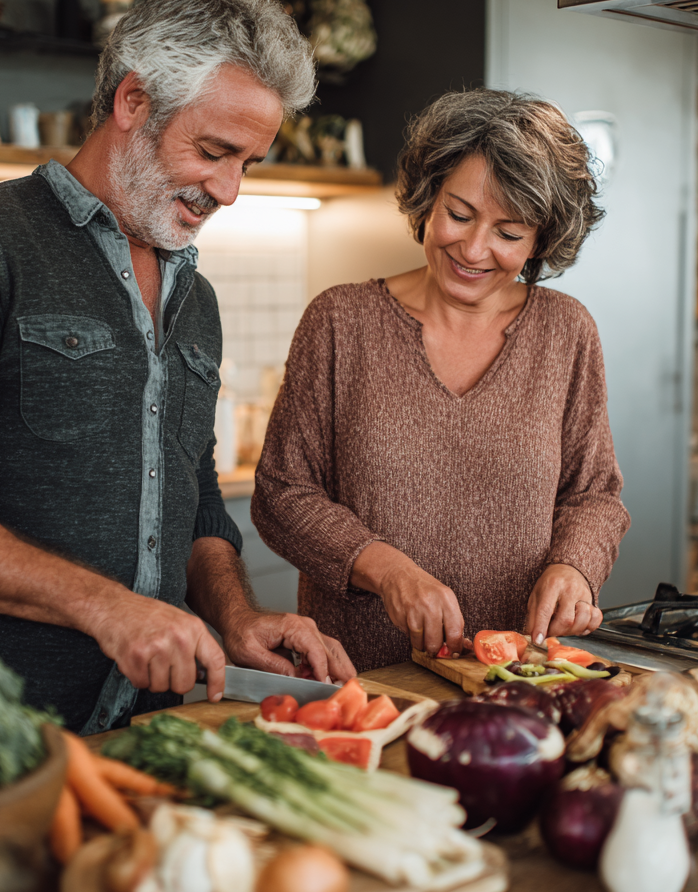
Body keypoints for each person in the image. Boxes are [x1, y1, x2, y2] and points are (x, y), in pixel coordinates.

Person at [0, 0, 355, 734]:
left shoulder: (194, 297)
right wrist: (107, 610)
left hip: (149, 725)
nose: (232, 188)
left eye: (249, 162)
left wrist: (234, 614)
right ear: (133, 102)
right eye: (215, 151)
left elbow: (192, 490)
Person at [251, 88, 631, 673]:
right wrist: (386, 570)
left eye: (509, 233)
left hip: (517, 676)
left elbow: (594, 494)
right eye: (458, 214)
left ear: (540, 240)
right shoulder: (340, 321)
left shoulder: (565, 332)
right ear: (429, 197)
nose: (474, 248)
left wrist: (574, 566)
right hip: (361, 678)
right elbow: (281, 495)